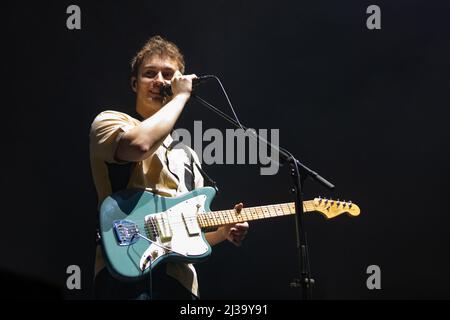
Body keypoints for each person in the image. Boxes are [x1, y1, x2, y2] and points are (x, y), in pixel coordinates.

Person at [89, 35, 249, 300]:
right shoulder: (110, 122)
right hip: (125, 269)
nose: (159, 82)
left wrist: (221, 233)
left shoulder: (188, 155)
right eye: (149, 74)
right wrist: (181, 96)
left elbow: (183, 236)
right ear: (134, 84)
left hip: (180, 285)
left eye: (168, 75)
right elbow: (139, 145)